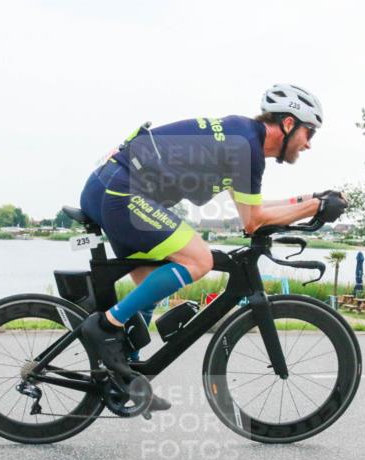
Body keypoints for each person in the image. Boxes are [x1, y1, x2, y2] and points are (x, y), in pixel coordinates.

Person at [78, 84, 347, 406]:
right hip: (122, 190)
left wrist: (311, 200)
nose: (308, 145)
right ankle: (106, 325)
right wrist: (314, 206)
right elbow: (254, 222)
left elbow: (253, 209)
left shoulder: (243, 140)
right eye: (309, 133)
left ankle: (124, 379)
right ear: (288, 124)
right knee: (199, 260)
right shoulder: (246, 146)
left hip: (111, 186)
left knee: (149, 287)